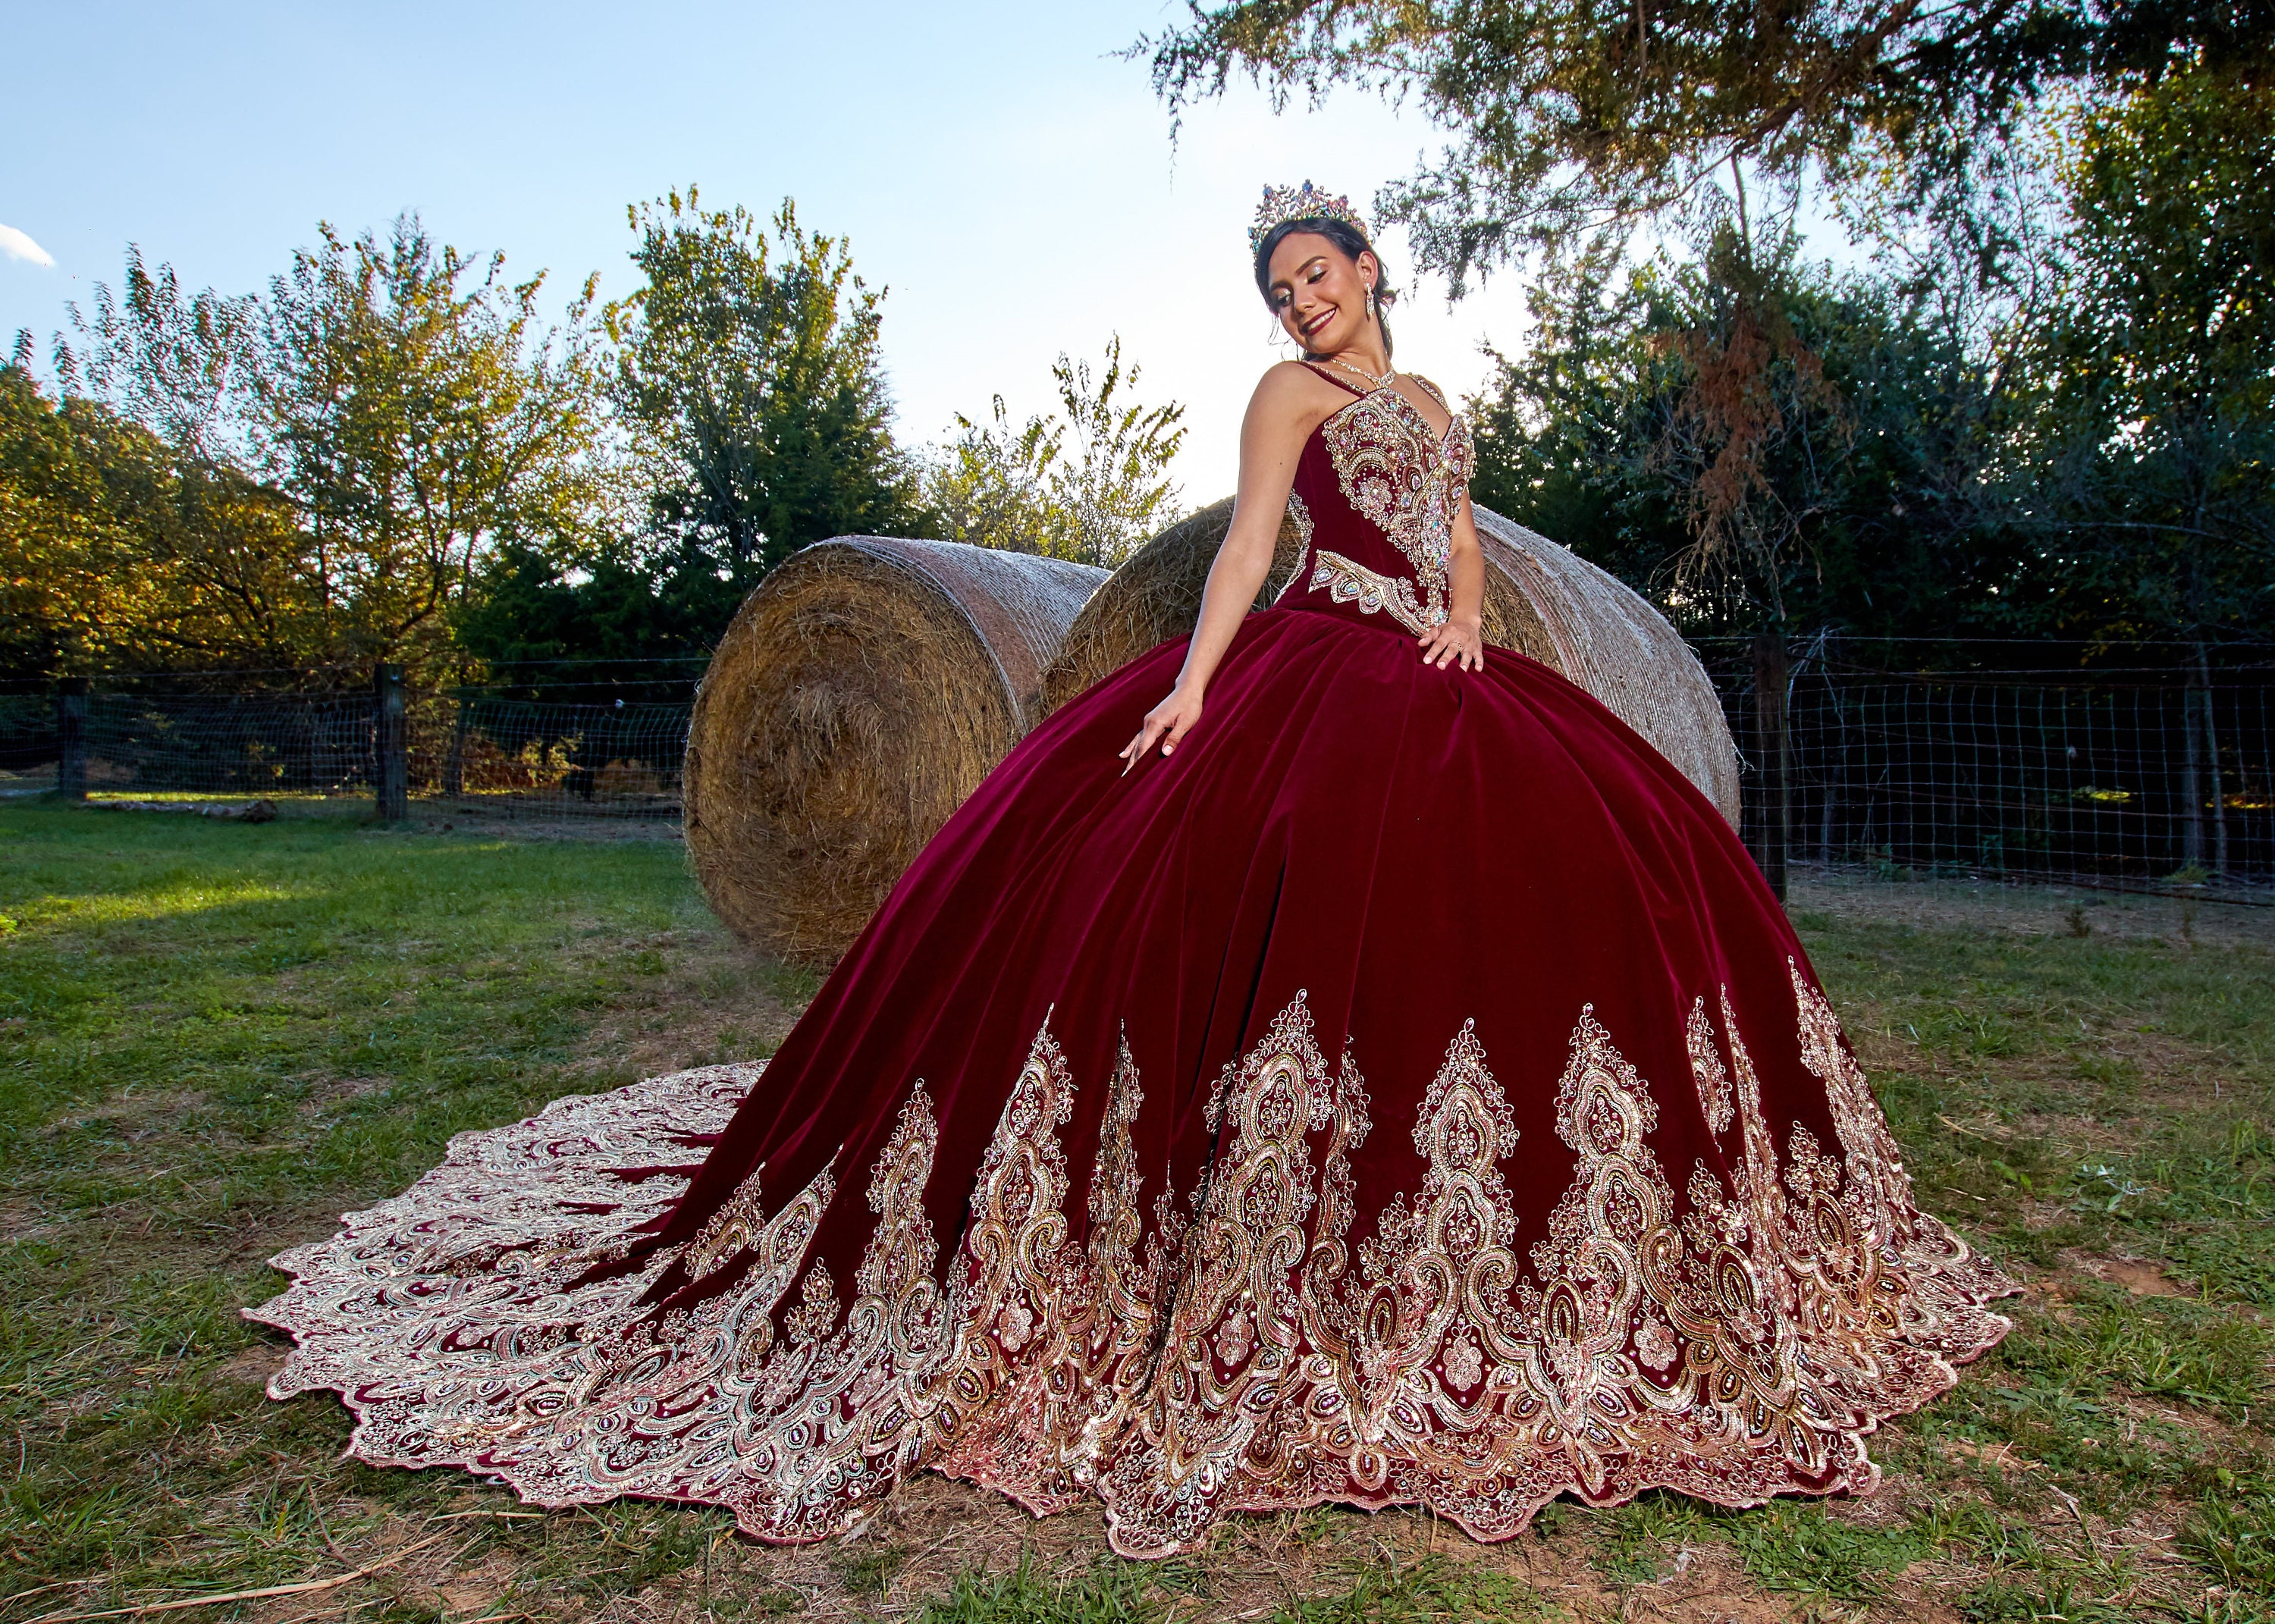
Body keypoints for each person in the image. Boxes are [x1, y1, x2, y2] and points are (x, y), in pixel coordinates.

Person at [252, 183, 2013, 1560]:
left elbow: (1457, 522)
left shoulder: (1432, 394)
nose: (1301, 304)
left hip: (1443, 665)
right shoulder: (1280, 400)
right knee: (1256, 900)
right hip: (1314, 663)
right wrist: (1182, 687)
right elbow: (1252, 544)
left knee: (1567, 896)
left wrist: (1475, 618)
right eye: (1281, 291)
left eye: (1318, 278)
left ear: (1372, 267)